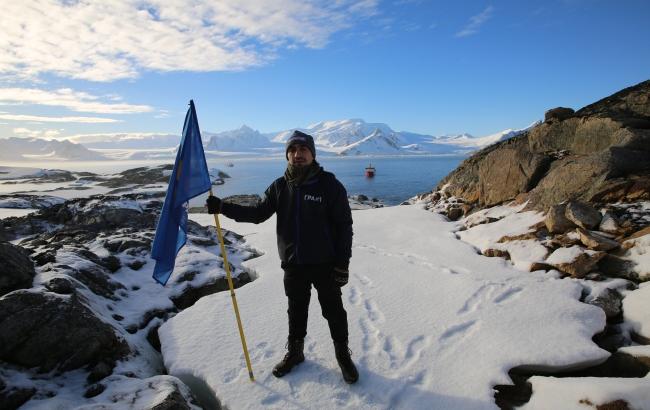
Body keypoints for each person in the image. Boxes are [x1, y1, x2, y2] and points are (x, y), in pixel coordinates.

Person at [206, 130, 359, 384]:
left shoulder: (329, 185)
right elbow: (258, 213)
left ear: (312, 154)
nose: (298, 154)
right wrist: (223, 207)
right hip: (293, 264)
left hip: (325, 264)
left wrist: (343, 264)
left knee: (334, 311)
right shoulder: (280, 186)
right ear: (287, 155)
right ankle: (296, 353)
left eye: (303, 149)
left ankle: (343, 354)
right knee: (296, 310)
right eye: (293, 150)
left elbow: (344, 226)